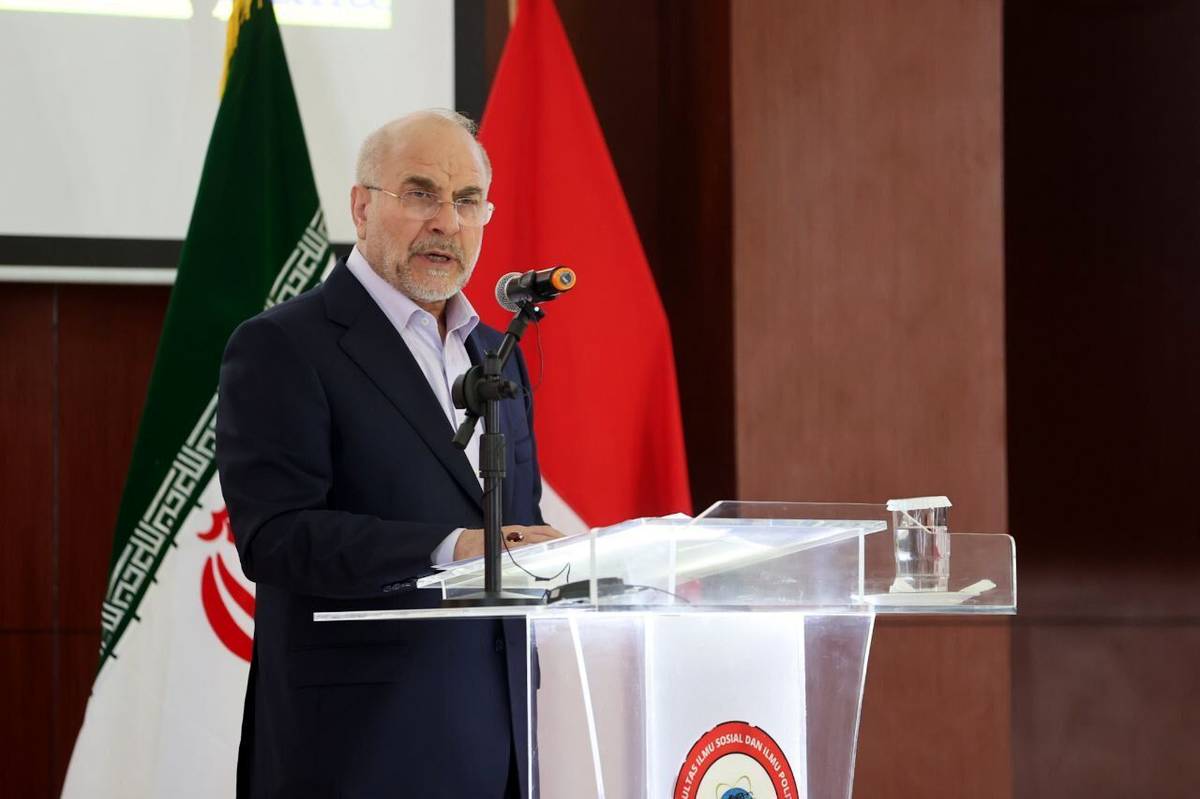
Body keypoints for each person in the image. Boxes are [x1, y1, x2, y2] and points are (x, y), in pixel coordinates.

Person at [216, 109, 562, 799]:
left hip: (501, 751)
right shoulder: (284, 346)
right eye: (421, 193)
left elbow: (518, 528)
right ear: (362, 207)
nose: (447, 221)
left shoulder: (498, 353)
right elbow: (276, 536)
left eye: (467, 201)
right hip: (357, 756)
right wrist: (454, 549)